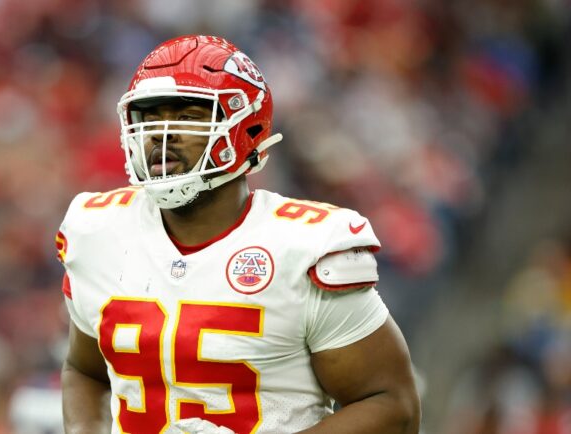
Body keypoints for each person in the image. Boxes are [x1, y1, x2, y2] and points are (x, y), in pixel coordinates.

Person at [56, 34, 420, 434]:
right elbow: (85, 371)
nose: (161, 134)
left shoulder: (306, 247)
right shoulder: (98, 231)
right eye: (151, 117)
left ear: (246, 127)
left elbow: (392, 405)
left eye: (188, 116)